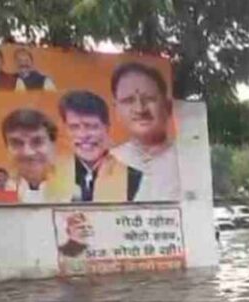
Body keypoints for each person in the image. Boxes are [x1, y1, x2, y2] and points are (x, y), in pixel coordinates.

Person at [110, 62, 180, 201]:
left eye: (149, 99)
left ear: (168, 106)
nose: (140, 109)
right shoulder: (108, 162)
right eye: (128, 101)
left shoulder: (188, 160)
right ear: (116, 110)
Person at [57, 90, 143, 202]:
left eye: (92, 127)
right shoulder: (50, 178)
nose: (83, 135)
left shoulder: (135, 179)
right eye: (74, 127)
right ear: (65, 131)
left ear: (107, 129)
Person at [1, 108, 67, 203]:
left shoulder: (80, 193)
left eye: (37, 142)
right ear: (7, 148)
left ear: (53, 145)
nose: (28, 152)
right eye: (17, 143)